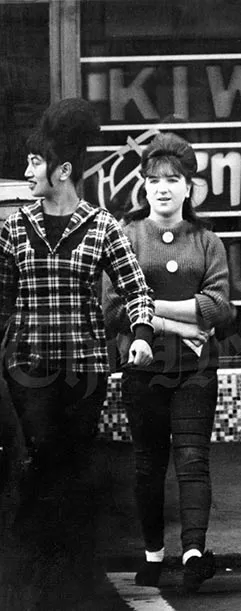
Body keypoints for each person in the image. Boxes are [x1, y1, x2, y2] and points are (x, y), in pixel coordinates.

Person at [0, 98, 155, 609]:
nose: (27, 172)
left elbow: (136, 290)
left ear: (62, 171)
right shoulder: (13, 228)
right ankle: (41, 570)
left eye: (35, 163)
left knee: (72, 462)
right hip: (28, 366)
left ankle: (68, 572)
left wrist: (140, 333)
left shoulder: (103, 226)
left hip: (86, 369)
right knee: (45, 455)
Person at [102, 132, 236, 592]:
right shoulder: (126, 236)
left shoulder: (207, 240)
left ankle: (195, 551)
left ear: (188, 188)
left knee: (194, 459)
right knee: (148, 464)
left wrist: (151, 306)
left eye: (173, 180)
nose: (163, 188)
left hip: (196, 370)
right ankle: (153, 554)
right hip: (143, 368)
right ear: (143, 186)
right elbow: (114, 310)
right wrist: (181, 322)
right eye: (154, 180)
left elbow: (220, 307)